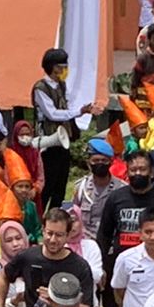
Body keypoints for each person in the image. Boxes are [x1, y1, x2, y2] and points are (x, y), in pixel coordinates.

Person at [97, 149, 154, 277]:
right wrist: (102, 266)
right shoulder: (115, 198)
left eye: (142, 169)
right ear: (127, 172)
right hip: (123, 266)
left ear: (151, 172)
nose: (137, 173)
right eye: (133, 170)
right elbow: (104, 235)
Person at [32, 49, 96, 210]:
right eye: (63, 66)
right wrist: (78, 112)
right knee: (48, 183)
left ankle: (55, 215)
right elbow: (52, 113)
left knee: (60, 184)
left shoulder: (61, 85)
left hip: (63, 140)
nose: (65, 70)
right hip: (48, 142)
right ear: (53, 67)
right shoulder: (40, 88)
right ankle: (39, 219)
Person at [73, 138, 120, 240]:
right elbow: (74, 216)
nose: (100, 163)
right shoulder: (81, 188)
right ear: (88, 162)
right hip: (86, 244)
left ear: (111, 162)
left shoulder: (121, 188)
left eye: (104, 160)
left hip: (111, 244)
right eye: (96, 160)